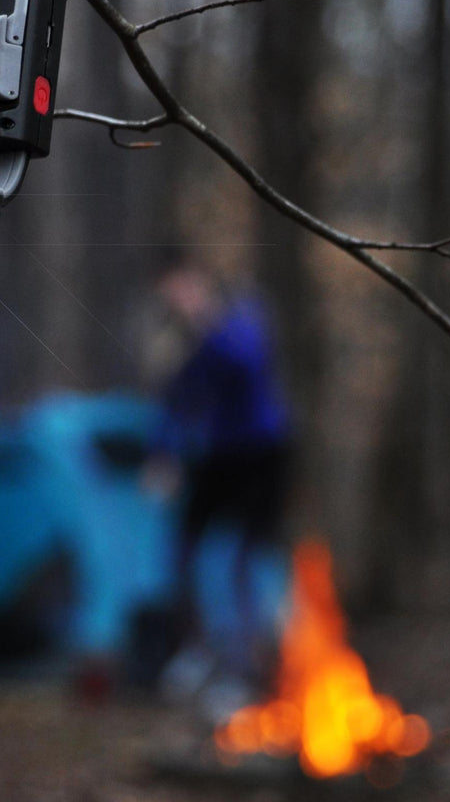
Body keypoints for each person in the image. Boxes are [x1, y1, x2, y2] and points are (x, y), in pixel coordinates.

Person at [145, 257, 293, 702]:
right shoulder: (182, 340)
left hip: (262, 453)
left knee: (242, 560)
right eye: (170, 293)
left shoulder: (241, 316)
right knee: (184, 551)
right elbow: (177, 401)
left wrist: (205, 328)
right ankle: (198, 651)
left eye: (182, 288)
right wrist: (162, 456)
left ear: (199, 281)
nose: (178, 300)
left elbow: (248, 365)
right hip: (216, 455)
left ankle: (251, 668)